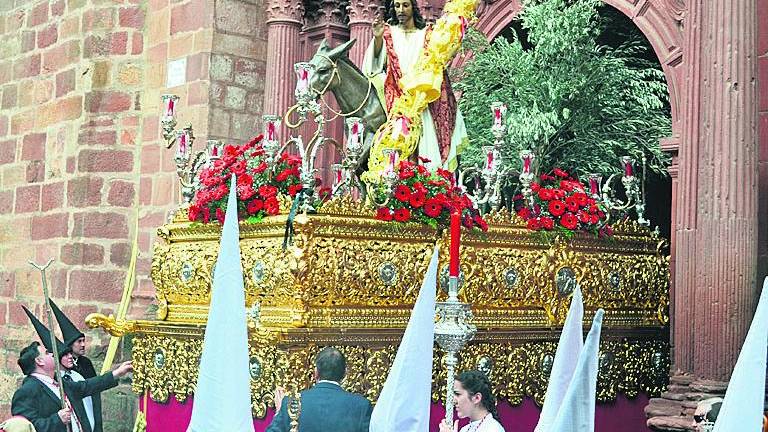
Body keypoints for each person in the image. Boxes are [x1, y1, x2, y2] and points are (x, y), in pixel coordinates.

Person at [363, 0, 468, 172]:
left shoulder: (426, 34)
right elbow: (372, 67)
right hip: (399, 101)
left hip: (423, 100)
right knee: (397, 144)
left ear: (413, 7)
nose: (401, 10)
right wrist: (378, 38)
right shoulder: (388, 33)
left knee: (427, 144)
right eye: (397, 6)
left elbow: (438, 62)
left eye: (405, 5)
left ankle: (428, 181)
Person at [11, 341, 133, 432]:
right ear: (39, 361)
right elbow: (25, 427)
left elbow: (86, 386)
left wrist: (117, 373)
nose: (53, 354)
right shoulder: (27, 391)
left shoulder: (59, 382)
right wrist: (57, 419)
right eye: (47, 353)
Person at [266, 347, 372, 432]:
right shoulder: (362, 406)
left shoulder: (291, 403)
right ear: (345, 374)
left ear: (315, 373)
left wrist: (279, 412)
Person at [439, 371, 505, 432]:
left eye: (458, 394)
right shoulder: (464, 429)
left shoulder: (494, 429)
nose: (453, 401)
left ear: (477, 398)